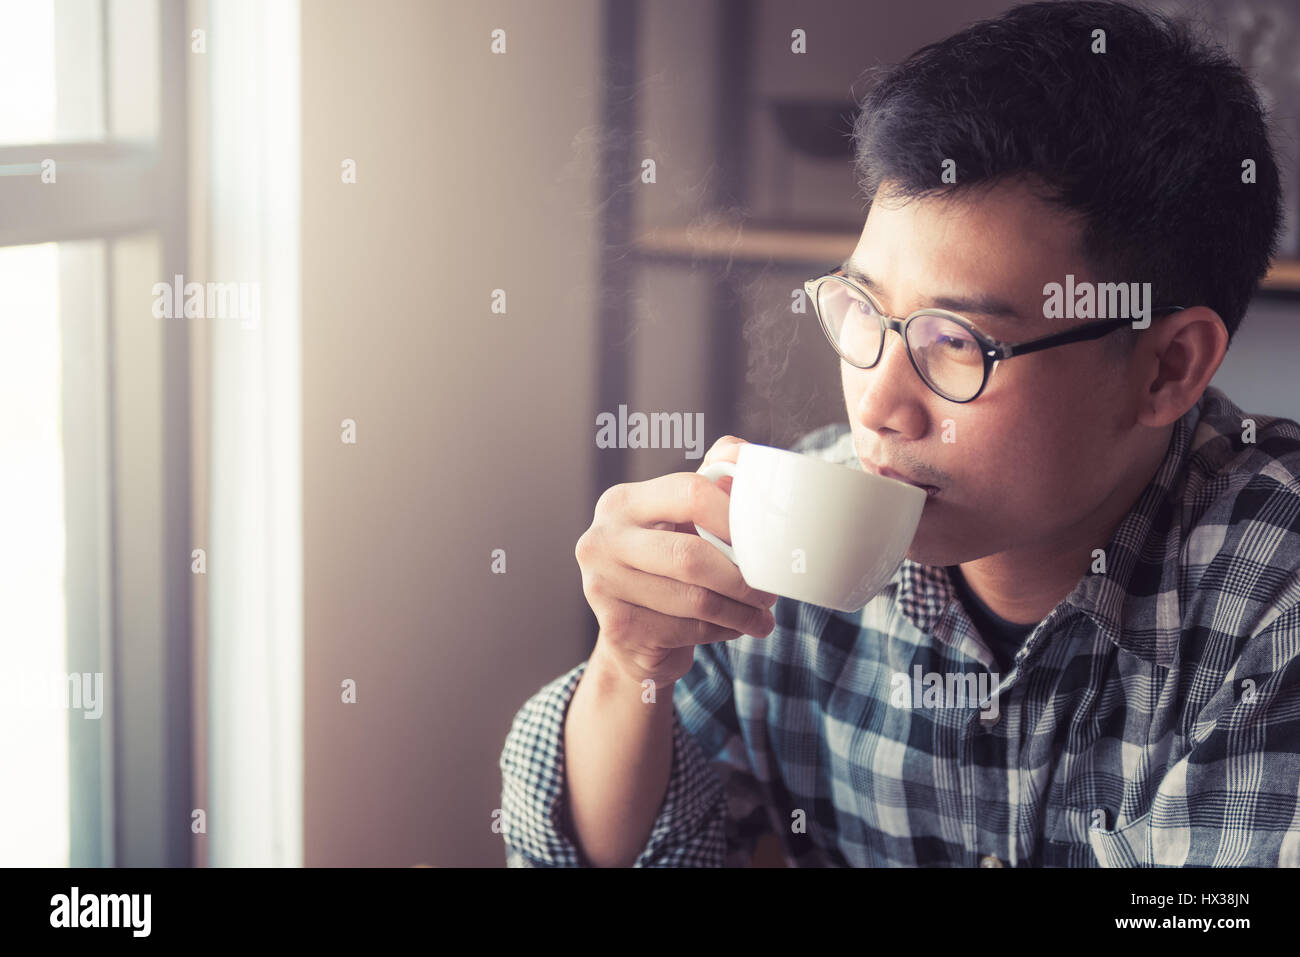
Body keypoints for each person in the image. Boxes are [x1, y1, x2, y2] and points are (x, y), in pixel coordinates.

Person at [499, 0, 1300, 866]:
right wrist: (629, 667)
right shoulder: (787, 540)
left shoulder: (1272, 601)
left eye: (956, 342)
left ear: (1166, 369)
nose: (878, 407)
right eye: (864, 309)